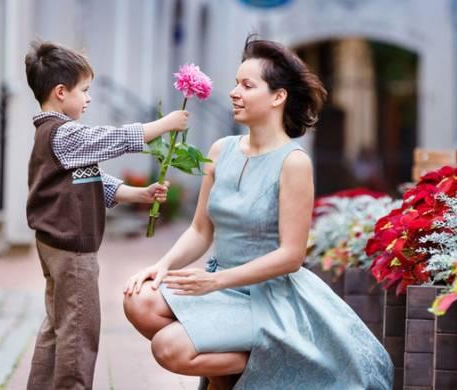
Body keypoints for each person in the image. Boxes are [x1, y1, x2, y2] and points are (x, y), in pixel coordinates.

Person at [122, 35, 394, 390]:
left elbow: (291, 256)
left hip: (269, 298)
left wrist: (215, 281)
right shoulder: (221, 150)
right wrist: (162, 266)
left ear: (278, 97)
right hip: (220, 285)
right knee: (138, 301)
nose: (234, 92)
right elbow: (201, 230)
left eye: (247, 85)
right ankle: (236, 377)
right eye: (236, 83)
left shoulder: (294, 163)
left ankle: (273, 358)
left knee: (169, 347)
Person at [24, 40, 189, 390]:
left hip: (55, 245)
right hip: (73, 251)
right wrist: (163, 125)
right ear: (60, 92)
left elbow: (93, 180)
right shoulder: (65, 133)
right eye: (84, 90)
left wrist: (139, 194)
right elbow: (112, 139)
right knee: (79, 330)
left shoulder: (54, 135)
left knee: (57, 326)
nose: (88, 98)